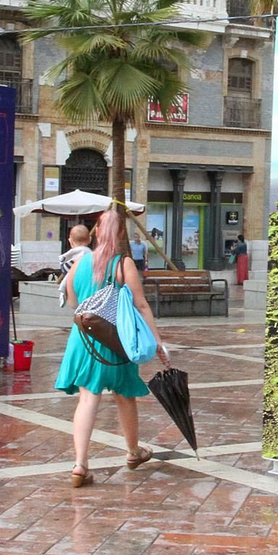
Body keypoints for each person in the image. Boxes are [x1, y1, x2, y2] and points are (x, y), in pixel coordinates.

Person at [57, 208, 169, 487]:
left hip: (83, 340)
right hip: (115, 340)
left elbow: (73, 304)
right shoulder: (123, 264)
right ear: (121, 233)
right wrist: (157, 341)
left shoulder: (79, 265)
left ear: (96, 231)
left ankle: (80, 464)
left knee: (87, 399)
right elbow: (141, 305)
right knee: (124, 395)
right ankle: (133, 452)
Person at [57, 223, 91, 308]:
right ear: (89, 240)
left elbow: (64, 261)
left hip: (72, 281)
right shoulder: (89, 254)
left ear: (70, 241)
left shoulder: (70, 255)